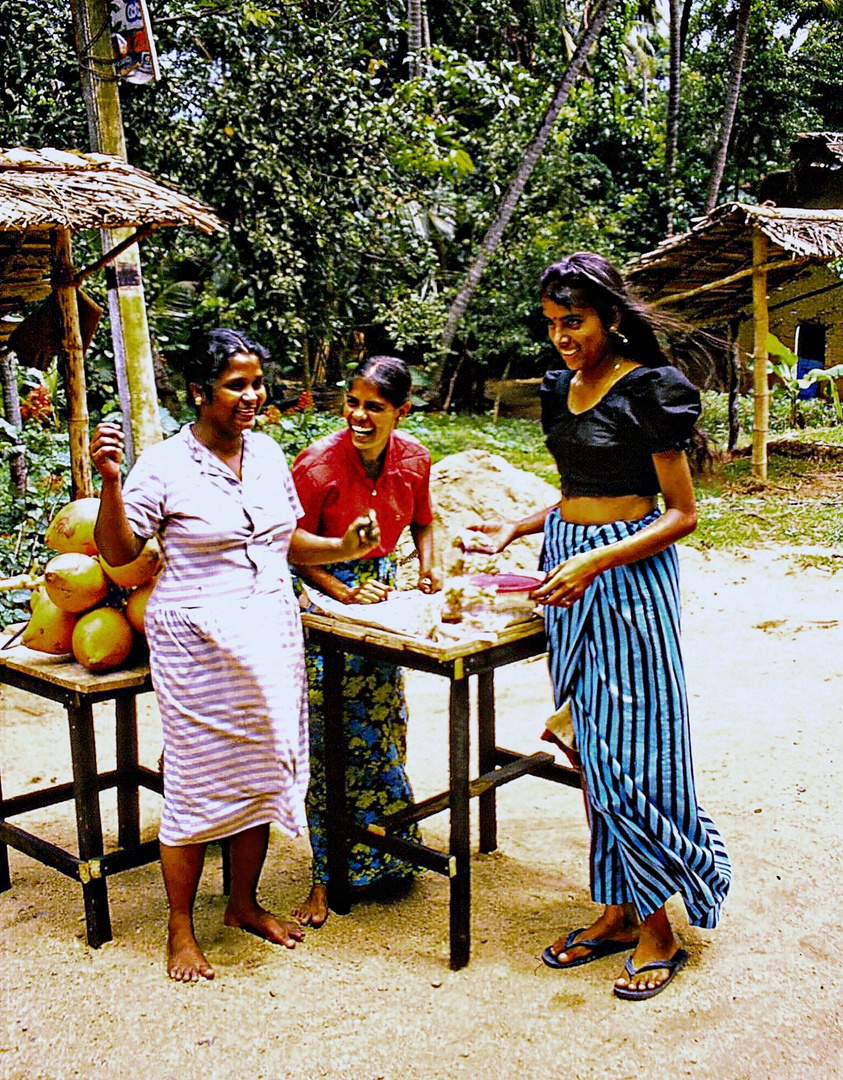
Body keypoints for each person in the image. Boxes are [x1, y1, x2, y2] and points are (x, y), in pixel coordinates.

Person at [468, 253, 731, 1001]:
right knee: (589, 746)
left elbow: (680, 515)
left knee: (633, 753)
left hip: (627, 584)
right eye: (551, 325)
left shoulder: (649, 391)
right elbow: (573, 492)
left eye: (573, 322)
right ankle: (616, 911)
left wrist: (596, 564)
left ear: (610, 318)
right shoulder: (562, 390)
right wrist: (514, 529)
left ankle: (659, 930)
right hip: (569, 576)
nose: (561, 338)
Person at [90, 328, 380, 982]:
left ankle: (242, 905)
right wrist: (110, 483)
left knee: (256, 771)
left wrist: (342, 550)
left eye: (256, 383)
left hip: (269, 633)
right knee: (197, 782)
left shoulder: (270, 454)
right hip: (196, 644)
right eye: (236, 385)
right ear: (198, 392)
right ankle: (180, 929)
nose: (252, 396)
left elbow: (286, 543)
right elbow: (116, 551)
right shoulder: (163, 465)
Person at [290, 356, 441, 928]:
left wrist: (426, 568)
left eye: (373, 407)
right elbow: (289, 546)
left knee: (383, 730)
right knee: (331, 738)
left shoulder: (415, 459)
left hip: (383, 597)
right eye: (352, 403)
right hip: (322, 601)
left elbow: (424, 520)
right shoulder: (317, 465)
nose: (358, 415)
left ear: (401, 412)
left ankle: (387, 859)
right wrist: (340, 590)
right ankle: (325, 877)